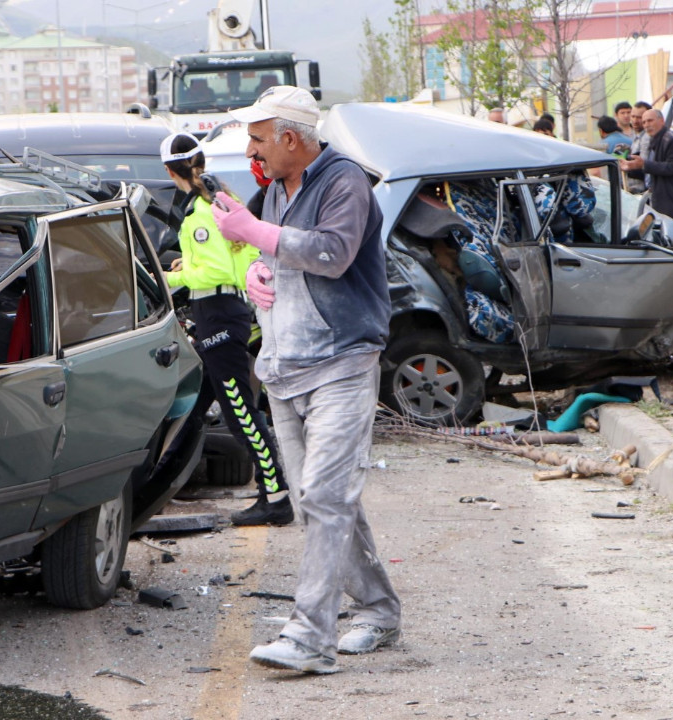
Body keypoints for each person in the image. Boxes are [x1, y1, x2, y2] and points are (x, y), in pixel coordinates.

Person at [210, 85, 402, 674]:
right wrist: (259, 276)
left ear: (291, 139)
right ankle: (378, 610)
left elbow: (332, 254)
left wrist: (254, 237)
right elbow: (280, 258)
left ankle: (310, 636)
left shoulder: (344, 182)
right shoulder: (276, 190)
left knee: (324, 495)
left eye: (259, 138)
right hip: (286, 365)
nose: (253, 150)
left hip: (341, 362)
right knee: (323, 500)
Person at [159, 132, 291, 526]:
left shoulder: (200, 212)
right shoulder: (216, 200)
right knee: (200, 406)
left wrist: (171, 278)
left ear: (169, 170)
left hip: (217, 313)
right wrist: (188, 266)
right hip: (222, 310)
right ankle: (157, 484)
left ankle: (277, 494)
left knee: (240, 413)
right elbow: (229, 258)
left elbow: (215, 270)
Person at [619, 109, 673, 226]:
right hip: (661, 200)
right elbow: (653, 169)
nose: (646, 125)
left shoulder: (671, 139)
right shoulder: (655, 140)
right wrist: (633, 167)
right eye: (644, 122)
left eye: (650, 120)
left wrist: (644, 164)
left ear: (661, 121)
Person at [626, 101, 653, 195]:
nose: (635, 121)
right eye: (633, 116)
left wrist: (628, 164)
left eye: (639, 117)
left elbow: (643, 165)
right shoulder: (636, 136)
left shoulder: (647, 138)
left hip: (643, 191)